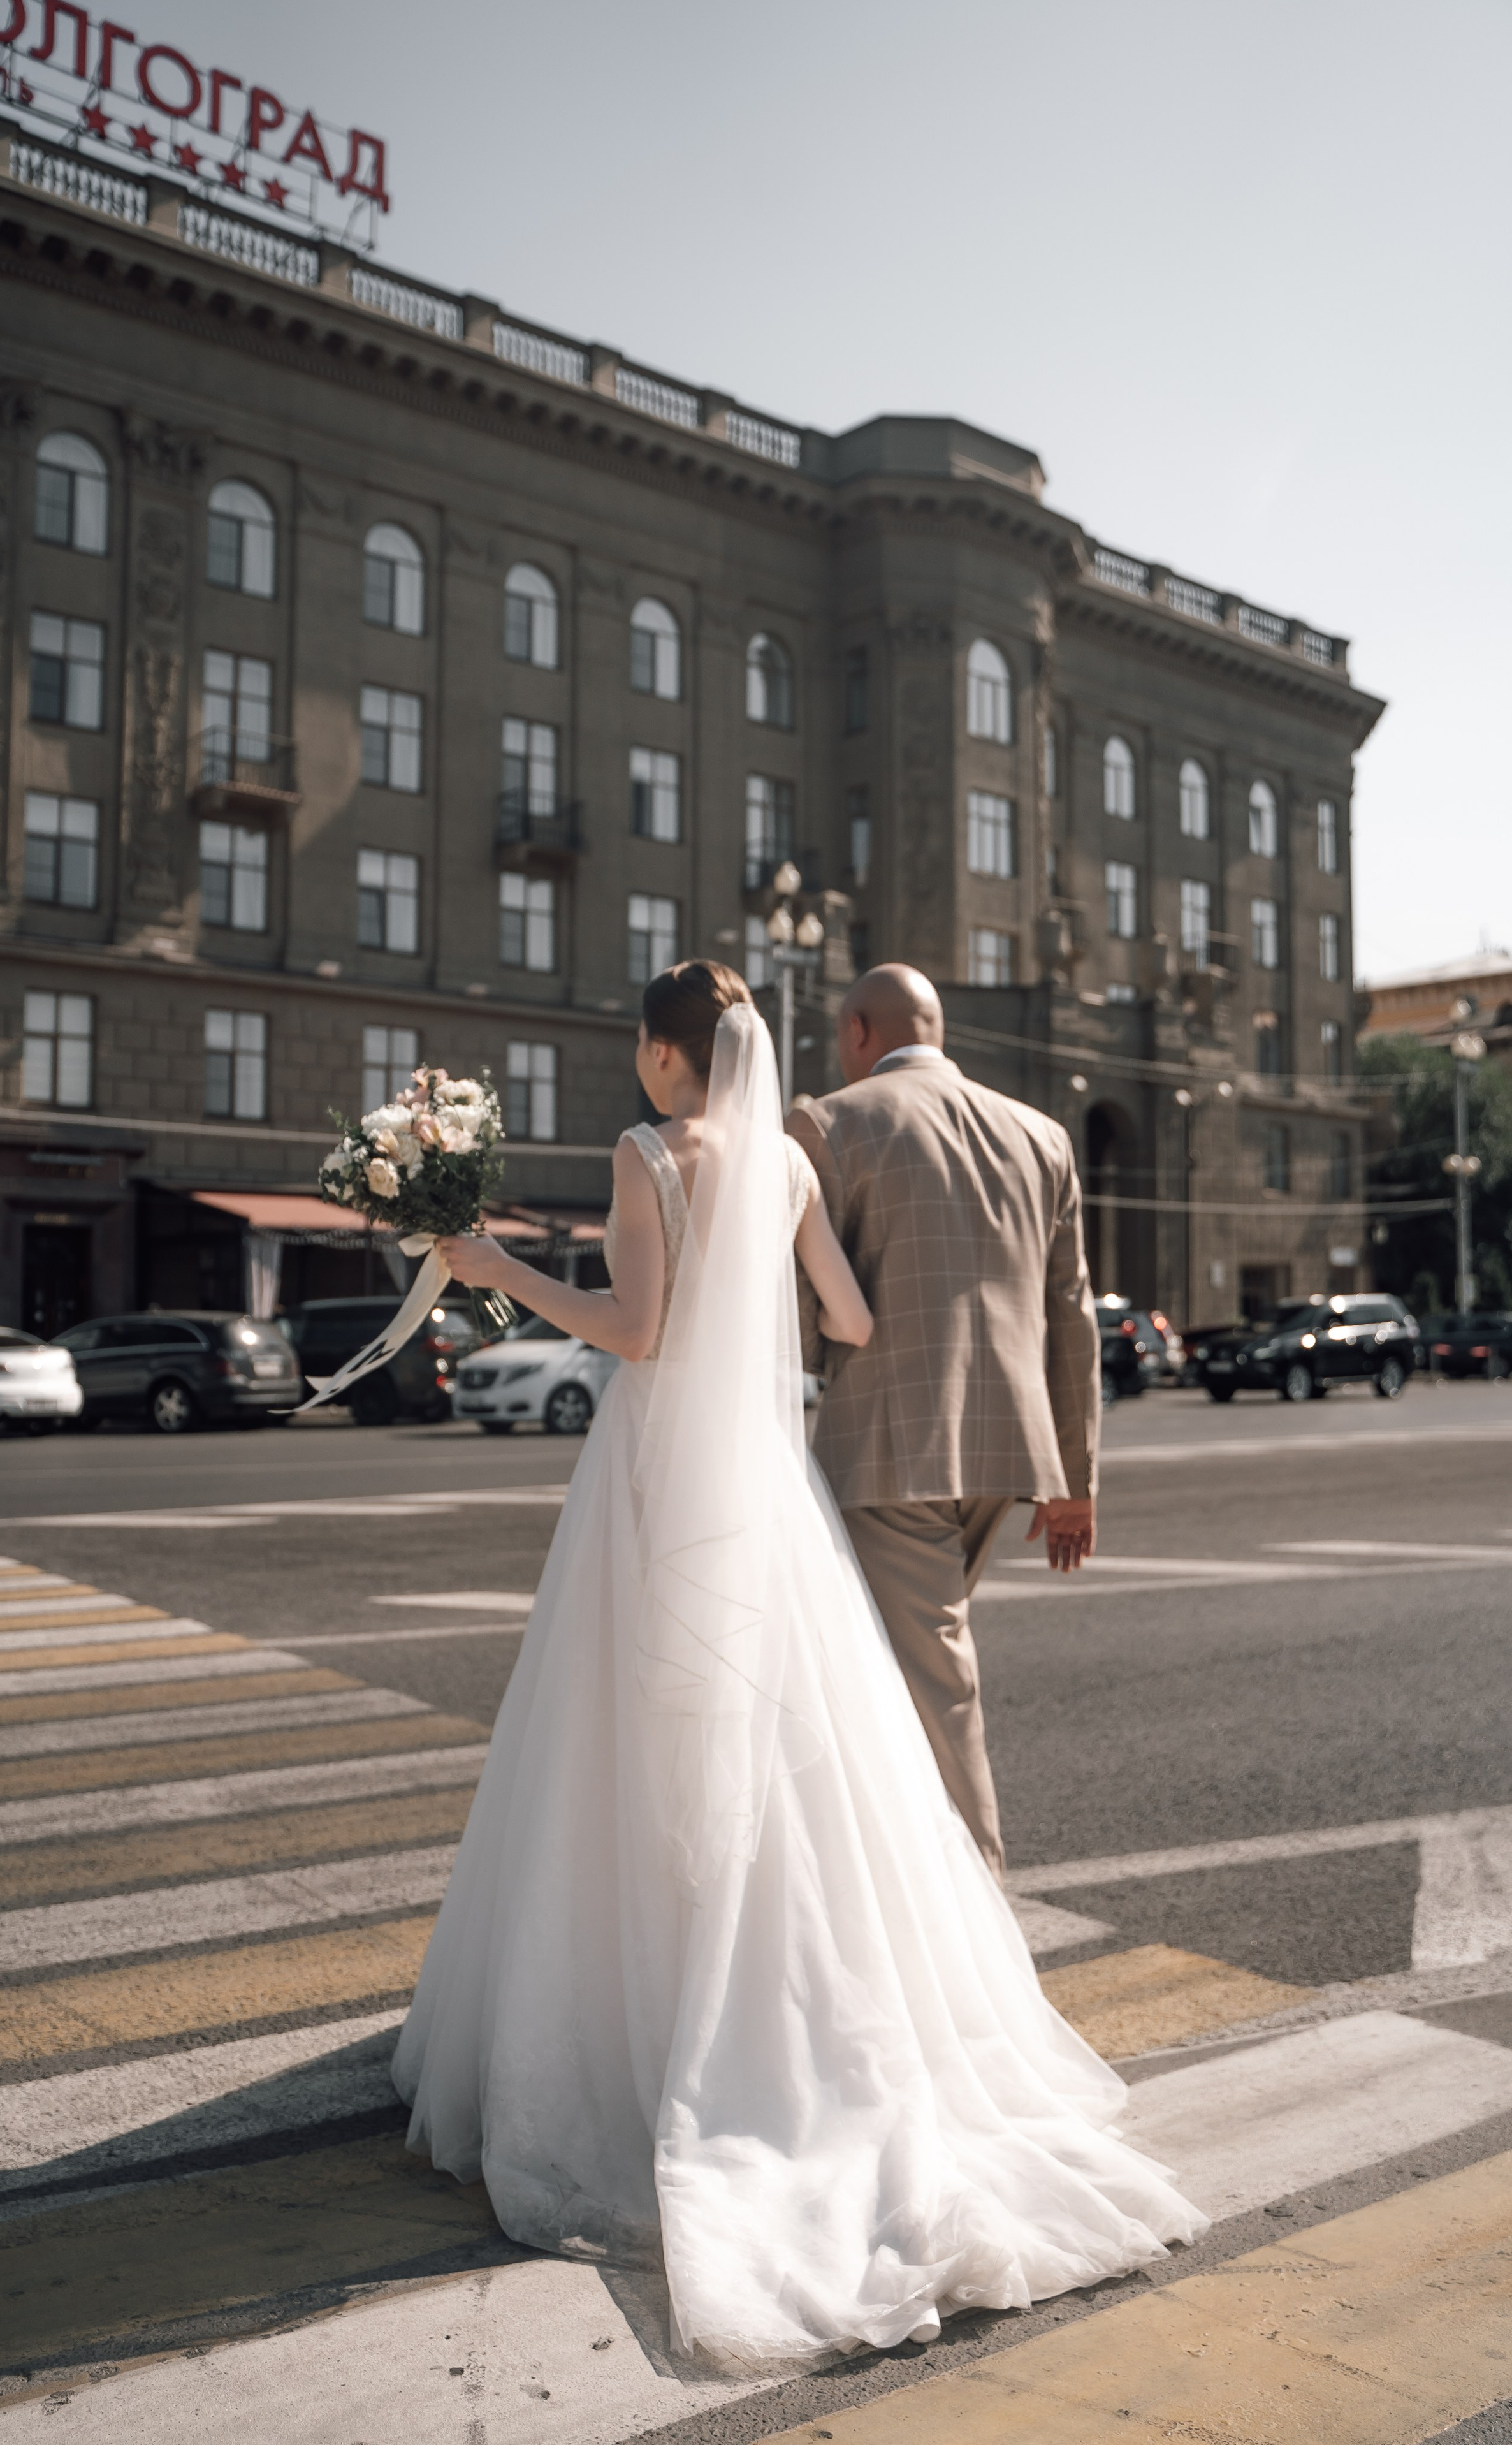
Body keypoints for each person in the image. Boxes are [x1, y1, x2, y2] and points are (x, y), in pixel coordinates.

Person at [393, 960, 1205, 2368]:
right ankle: (809, 2000)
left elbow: (635, 1332)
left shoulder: (648, 1151)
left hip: (658, 1474)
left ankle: (655, 2019)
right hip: (766, 1482)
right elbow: (845, 1320)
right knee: (791, 1739)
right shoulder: (775, 1159)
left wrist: (502, 1271)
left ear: (660, 1055)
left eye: (642, 1053)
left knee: (624, 1726)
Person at [788, 963, 1099, 1882]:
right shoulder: (1040, 1135)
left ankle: (982, 1914)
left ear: (855, 1031)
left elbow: (802, 1309)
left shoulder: (830, 1124)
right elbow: (1072, 1314)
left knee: (935, 1689)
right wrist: (1076, 1482)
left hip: (888, 1453)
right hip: (1008, 1455)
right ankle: (897, 1898)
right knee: (892, 1675)